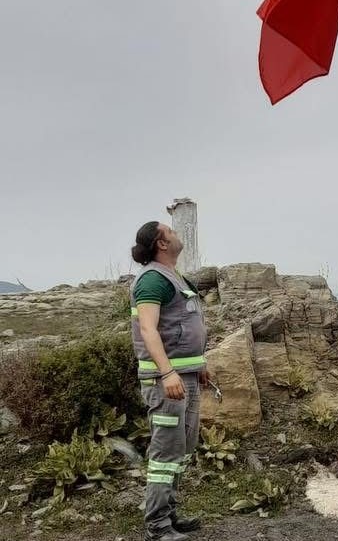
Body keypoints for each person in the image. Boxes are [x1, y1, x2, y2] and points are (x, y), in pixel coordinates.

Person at [130, 221, 209, 541]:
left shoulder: (174, 277)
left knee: (183, 446)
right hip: (167, 383)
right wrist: (167, 372)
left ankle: (170, 513)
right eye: (171, 232)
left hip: (184, 377)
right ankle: (158, 526)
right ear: (161, 244)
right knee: (165, 452)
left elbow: (183, 323)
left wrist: (199, 365)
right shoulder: (152, 279)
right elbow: (148, 329)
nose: (177, 234)